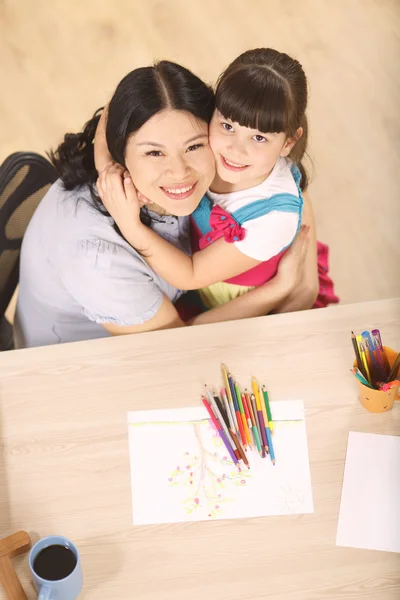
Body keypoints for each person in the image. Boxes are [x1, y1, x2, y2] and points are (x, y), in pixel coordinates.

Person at [14, 60, 311, 349]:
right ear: (121, 152)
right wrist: (280, 289)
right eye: (154, 154)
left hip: (184, 304)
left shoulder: (225, 151)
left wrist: (307, 282)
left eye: (194, 146)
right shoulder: (98, 260)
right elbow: (174, 344)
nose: (179, 172)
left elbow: (288, 190)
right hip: (94, 361)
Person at [97, 48, 338, 313]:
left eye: (259, 138)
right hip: (200, 273)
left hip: (242, 301)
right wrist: (114, 170)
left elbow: (190, 275)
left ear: (288, 142)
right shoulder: (206, 140)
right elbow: (114, 110)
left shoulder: (272, 218)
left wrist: (130, 225)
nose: (235, 149)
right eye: (228, 126)